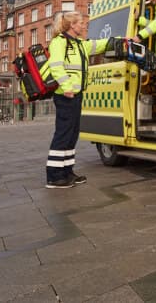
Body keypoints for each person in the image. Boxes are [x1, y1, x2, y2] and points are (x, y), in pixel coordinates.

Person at [45, 11, 109, 189]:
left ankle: (67, 171)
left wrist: (123, 40)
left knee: (72, 133)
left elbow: (99, 45)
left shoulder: (80, 44)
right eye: (81, 22)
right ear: (72, 25)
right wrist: (66, 87)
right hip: (66, 95)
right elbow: (56, 66)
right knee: (63, 133)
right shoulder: (59, 42)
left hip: (76, 93)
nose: (84, 25)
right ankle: (55, 176)